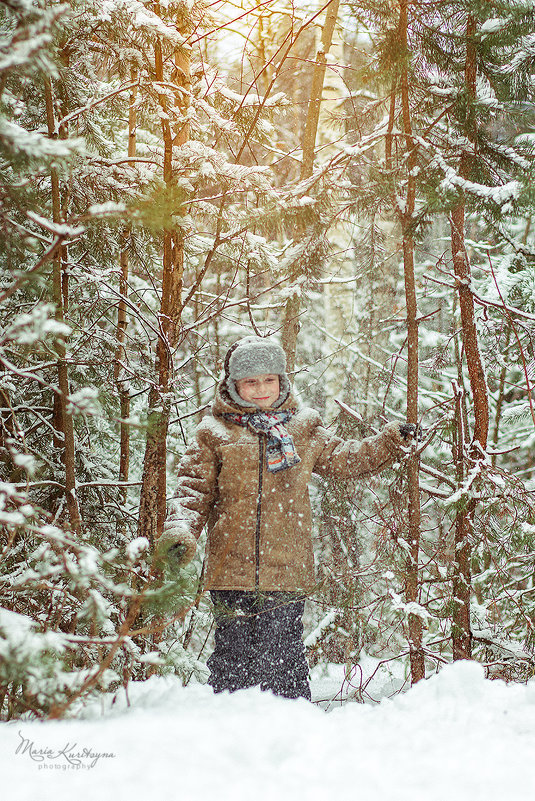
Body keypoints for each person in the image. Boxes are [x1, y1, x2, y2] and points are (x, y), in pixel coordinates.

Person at [156, 336, 418, 700]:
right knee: (233, 654)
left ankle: (291, 724)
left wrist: (390, 442)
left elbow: (347, 458)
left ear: (282, 382)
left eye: (269, 380)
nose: (261, 389)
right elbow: (193, 490)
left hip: (287, 566)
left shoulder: (303, 429)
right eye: (250, 382)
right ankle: (229, 726)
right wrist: (181, 530)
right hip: (230, 568)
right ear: (233, 385)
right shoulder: (213, 433)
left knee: (281, 652)